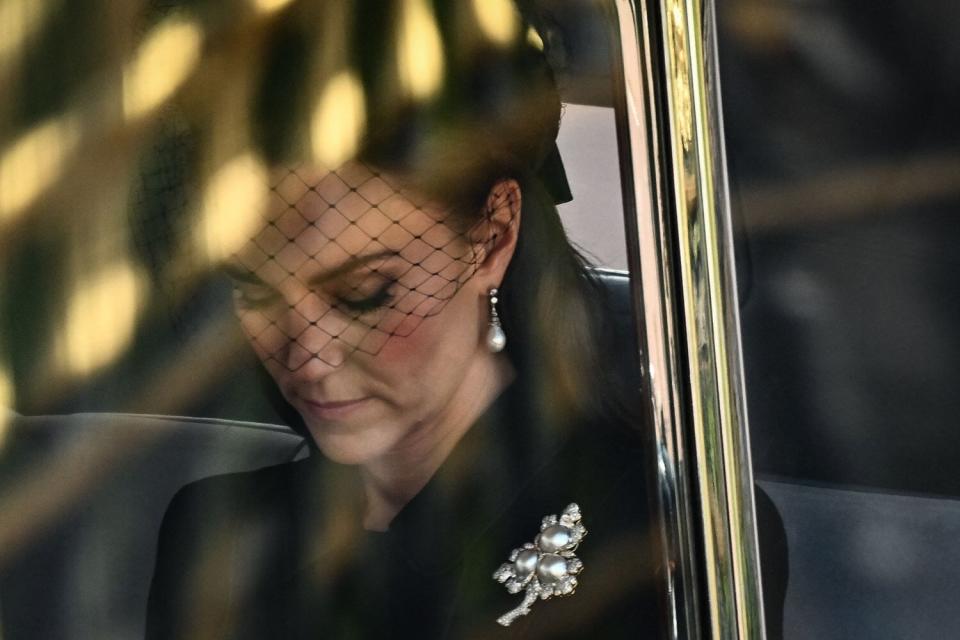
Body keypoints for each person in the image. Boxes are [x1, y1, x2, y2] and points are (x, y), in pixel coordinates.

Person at [144, 1, 786, 638]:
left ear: (492, 238)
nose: (307, 354)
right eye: (253, 291)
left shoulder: (674, 533)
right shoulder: (215, 535)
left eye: (364, 293)